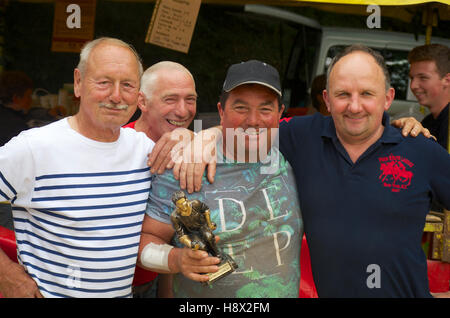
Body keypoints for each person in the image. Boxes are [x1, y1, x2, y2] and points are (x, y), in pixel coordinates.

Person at [175, 46, 450, 297]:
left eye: (367, 94)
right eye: (343, 95)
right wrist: (202, 136)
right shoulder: (302, 137)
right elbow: (250, 127)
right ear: (327, 100)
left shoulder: (421, 151)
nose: (355, 106)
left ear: (388, 98)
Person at [0, 37, 155, 298]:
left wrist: (189, 136)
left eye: (127, 84)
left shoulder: (146, 151)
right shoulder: (34, 148)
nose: (116, 96)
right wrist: (5, 274)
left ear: (139, 94)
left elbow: (217, 150)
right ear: (78, 82)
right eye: (104, 82)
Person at [138, 60, 303, 297]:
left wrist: (204, 133)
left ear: (280, 114)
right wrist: (176, 259)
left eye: (265, 109)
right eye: (241, 108)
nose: (254, 120)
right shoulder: (185, 165)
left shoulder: (294, 153)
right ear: (221, 111)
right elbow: (147, 239)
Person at [124, 61, 198, 297]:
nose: (183, 111)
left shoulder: (196, 148)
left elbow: (255, 136)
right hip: (101, 283)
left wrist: (205, 136)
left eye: (190, 99)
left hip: (159, 280)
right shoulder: (114, 146)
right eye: (170, 99)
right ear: (142, 101)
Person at [408, 43, 449, 151]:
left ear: (447, 80)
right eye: (412, 78)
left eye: (423, 78)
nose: (413, 86)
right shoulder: (429, 121)